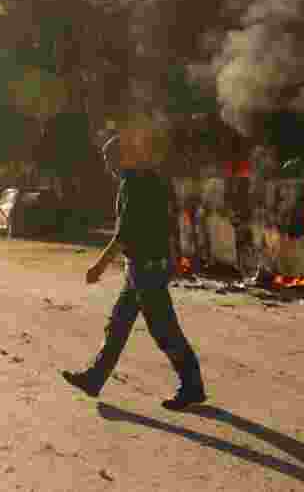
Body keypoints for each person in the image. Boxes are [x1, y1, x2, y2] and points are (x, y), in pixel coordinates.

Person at [61, 134, 207, 410]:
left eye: (111, 159)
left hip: (146, 268)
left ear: (124, 156)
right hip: (143, 267)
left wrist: (99, 266)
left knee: (163, 329)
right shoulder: (149, 178)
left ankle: (192, 385)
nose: (108, 166)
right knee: (118, 324)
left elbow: (125, 234)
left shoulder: (134, 183)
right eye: (106, 160)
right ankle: (95, 377)